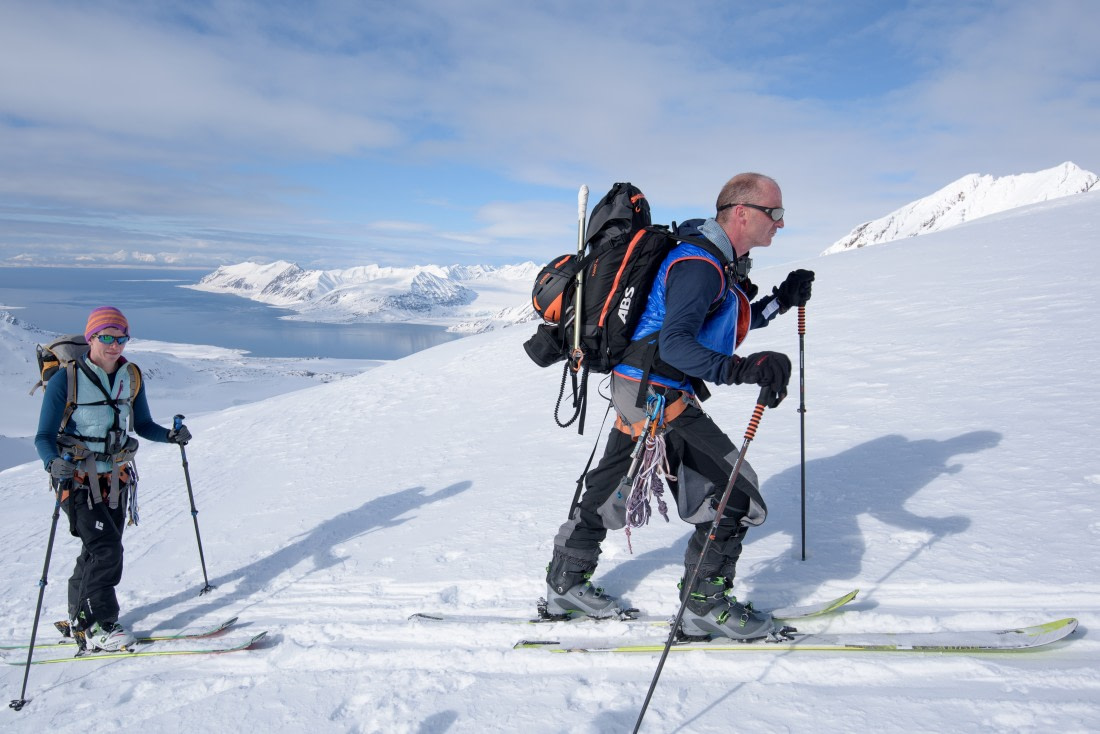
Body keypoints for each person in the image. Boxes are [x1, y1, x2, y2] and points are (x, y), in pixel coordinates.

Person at [543, 173, 815, 639]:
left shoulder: (717, 262)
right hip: (657, 393)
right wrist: (746, 370)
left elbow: (719, 326)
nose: (782, 223)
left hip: (640, 388)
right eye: (776, 213)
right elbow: (676, 346)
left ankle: (564, 582)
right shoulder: (700, 266)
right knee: (736, 493)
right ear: (742, 212)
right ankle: (703, 606)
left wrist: (782, 302)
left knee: (611, 485)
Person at [34, 306, 192, 652]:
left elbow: (143, 425)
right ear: (91, 337)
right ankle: (102, 624)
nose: (115, 344)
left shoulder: (131, 376)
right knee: (106, 550)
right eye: (106, 336)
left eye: (121, 337)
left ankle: (78, 616)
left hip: (116, 479)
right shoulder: (67, 379)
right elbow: (43, 436)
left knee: (96, 551)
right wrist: (51, 464)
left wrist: (170, 436)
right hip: (75, 479)